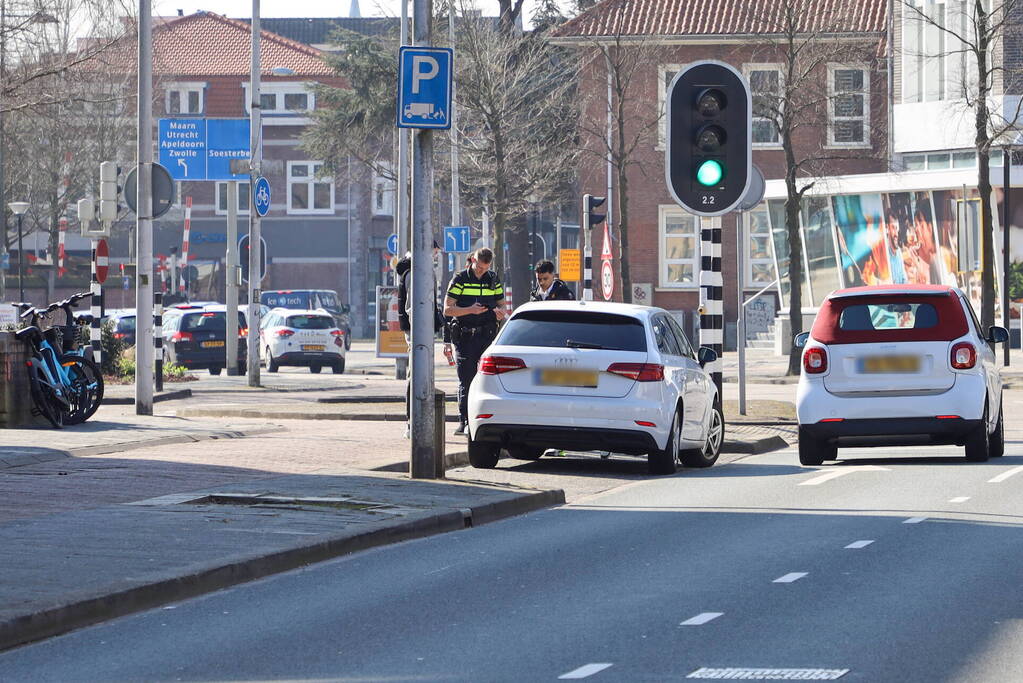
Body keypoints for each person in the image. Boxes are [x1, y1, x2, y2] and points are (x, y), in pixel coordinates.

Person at [444, 248, 505, 435]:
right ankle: (464, 421)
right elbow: (447, 309)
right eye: (478, 267)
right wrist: (470, 310)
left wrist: (499, 312)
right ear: (472, 260)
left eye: (485, 268)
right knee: (467, 379)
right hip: (465, 336)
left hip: (487, 336)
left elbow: (502, 305)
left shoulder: (493, 279)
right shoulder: (460, 279)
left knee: (489, 380)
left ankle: (488, 421)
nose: (481, 271)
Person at [397, 241, 451, 438]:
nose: (436, 257)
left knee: (420, 372)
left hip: (421, 330)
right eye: (435, 253)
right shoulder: (415, 272)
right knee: (416, 374)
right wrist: (420, 330)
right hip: (418, 332)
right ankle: (413, 421)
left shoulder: (419, 269)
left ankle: (416, 420)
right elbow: (413, 305)